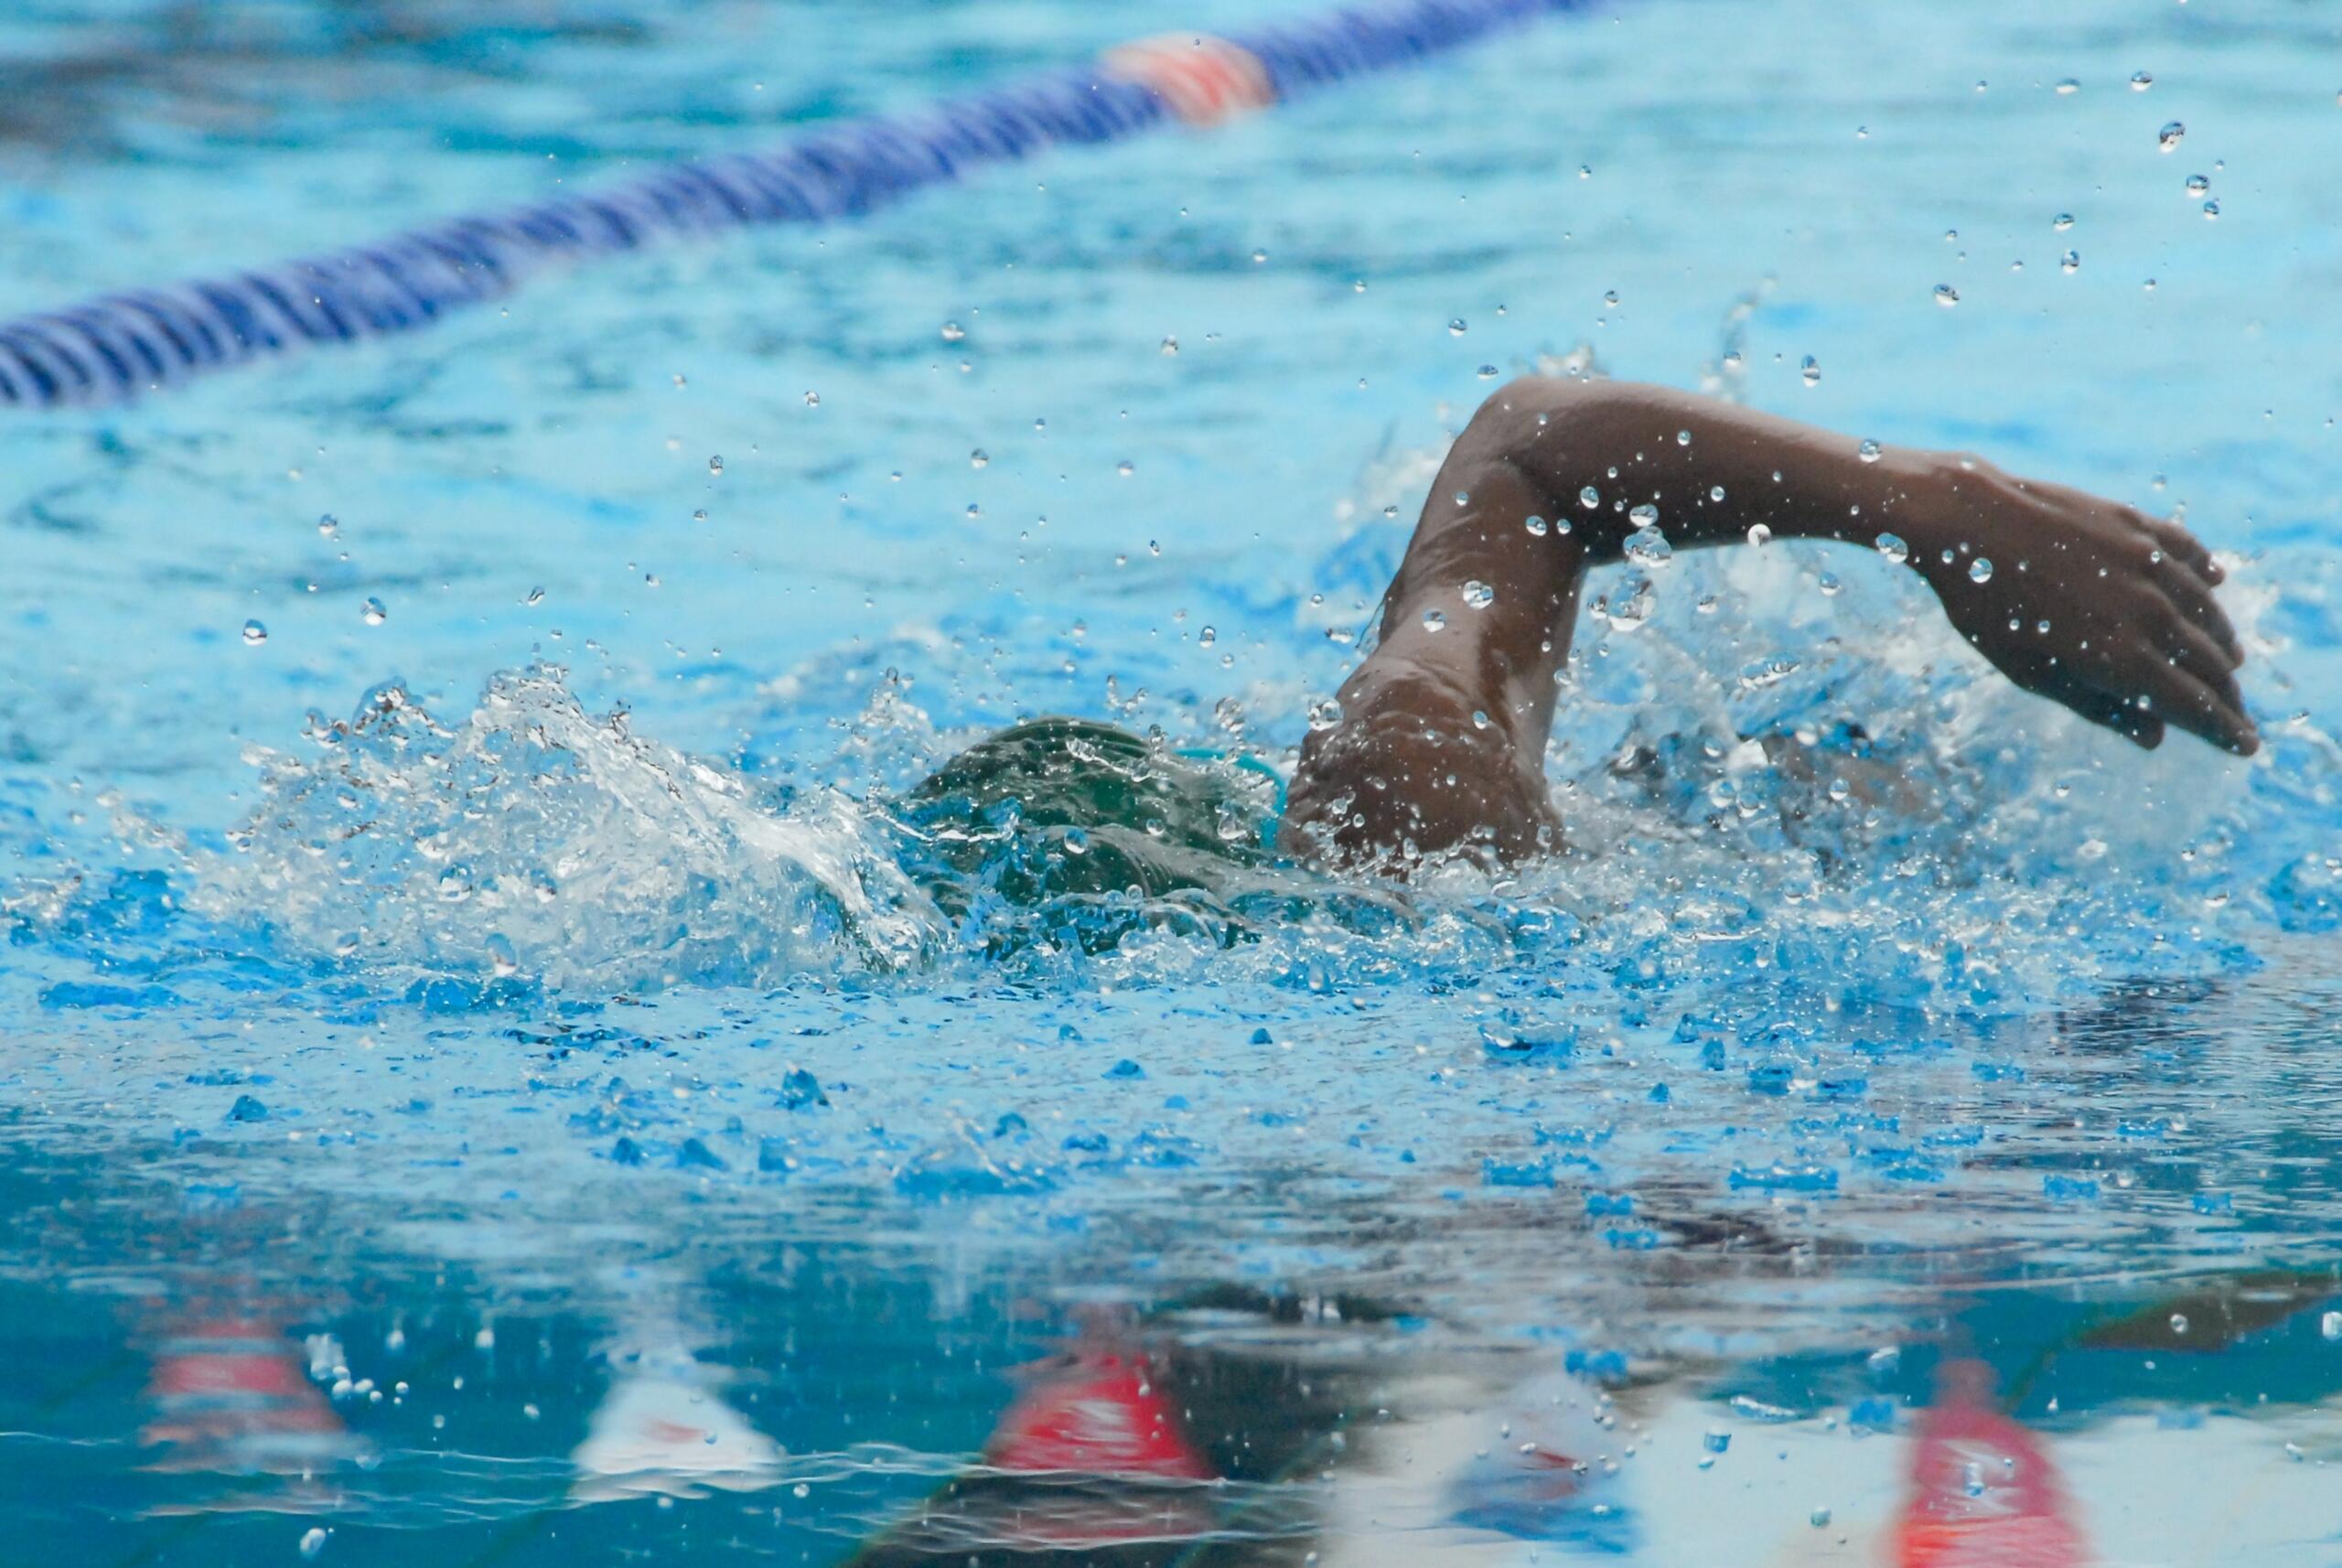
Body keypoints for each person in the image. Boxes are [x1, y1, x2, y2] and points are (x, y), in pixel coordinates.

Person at [903, 377, 2251, 893]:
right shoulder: (1407, 810)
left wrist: (1944, 509)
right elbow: (1527, 453)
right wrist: (1934, 506)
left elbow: (1535, 452)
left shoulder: (1405, 798)